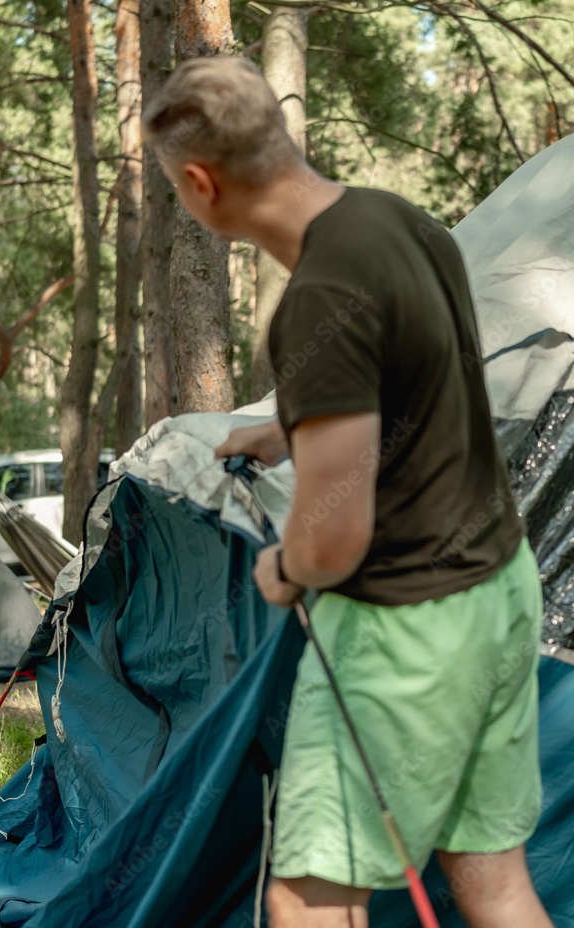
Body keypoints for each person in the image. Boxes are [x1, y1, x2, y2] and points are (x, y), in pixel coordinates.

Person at [143, 57, 553, 928]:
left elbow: (334, 540)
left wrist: (286, 568)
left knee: (309, 899)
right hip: (499, 591)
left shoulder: (319, 295)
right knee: (495, 884)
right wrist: (292, 424)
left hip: (406, 631)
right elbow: (420, 384)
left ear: (198, 182)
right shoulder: (402, 222)